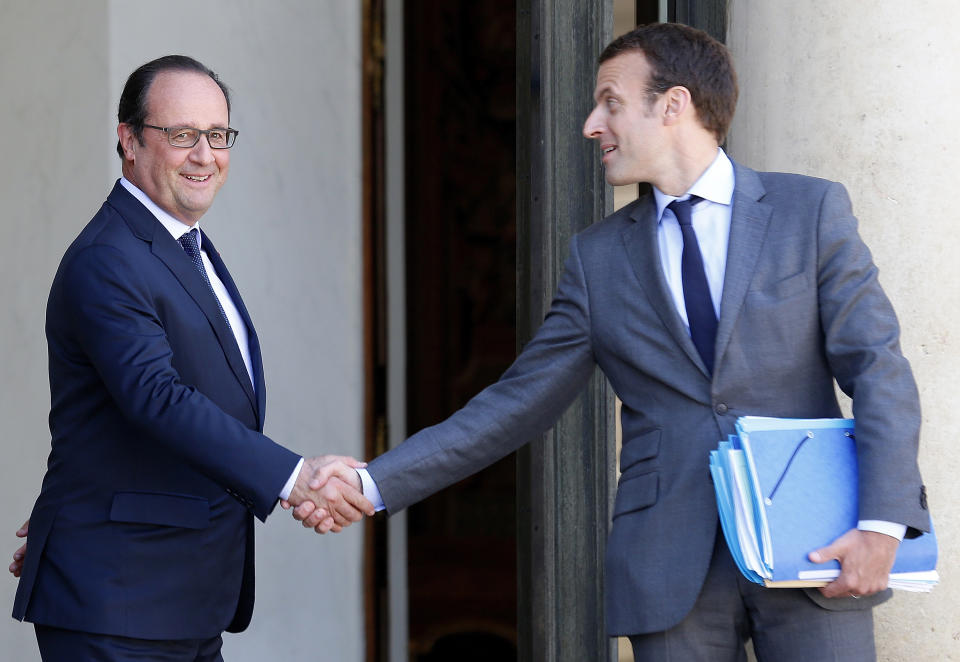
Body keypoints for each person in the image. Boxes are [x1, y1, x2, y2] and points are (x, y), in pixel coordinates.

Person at [292, 23, 930, 661]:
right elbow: (516, 403)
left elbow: (877, 368)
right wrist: (375, 483)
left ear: (673, 105)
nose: (591, 124)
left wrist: (882, 525)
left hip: (819, 549)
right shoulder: (596, 259)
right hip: (667, 567)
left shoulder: (809, 211)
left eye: (611, 103)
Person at [8, 55, 373, 661]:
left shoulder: (182, 245)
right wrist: (294, 477)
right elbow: (158, 398)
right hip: (122, 603)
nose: (204, 154)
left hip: (174, 599)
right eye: (181, 135)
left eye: (217, 135)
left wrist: (79, 494)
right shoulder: (111, 257)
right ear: (128, 140)